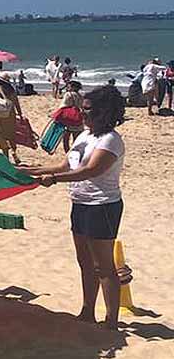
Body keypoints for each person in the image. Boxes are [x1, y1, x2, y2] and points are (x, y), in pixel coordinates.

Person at [24, 86, 126, 331]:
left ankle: (111, 320)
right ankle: (87, 311)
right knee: (85, 262)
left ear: (105, 112)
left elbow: (91, 170)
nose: (82, 114)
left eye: (88, 110)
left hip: (102, 207)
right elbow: (64, 166)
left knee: (104, 265)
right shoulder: (84, 136)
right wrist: (30, 171)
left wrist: (54, 180)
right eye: (82, 109)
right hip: (80, 204)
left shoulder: (110, 140)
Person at [0, 75, 24, 164]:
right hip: (10, 114)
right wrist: (20, 114)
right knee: (11, 134)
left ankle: (6, 156)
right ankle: (14, 152)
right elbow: (16, 102)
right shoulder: (11, 90)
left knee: (1, 135)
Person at [58, 80, 83, 151]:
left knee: (66, 139)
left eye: (69, 86)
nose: (67, 87)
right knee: (76, 139)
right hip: (78, 119)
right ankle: (75, 153)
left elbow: (63, 106)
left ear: (72, 87)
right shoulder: (80, 96)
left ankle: (67, 153)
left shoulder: (68, 94)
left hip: (68, 119)